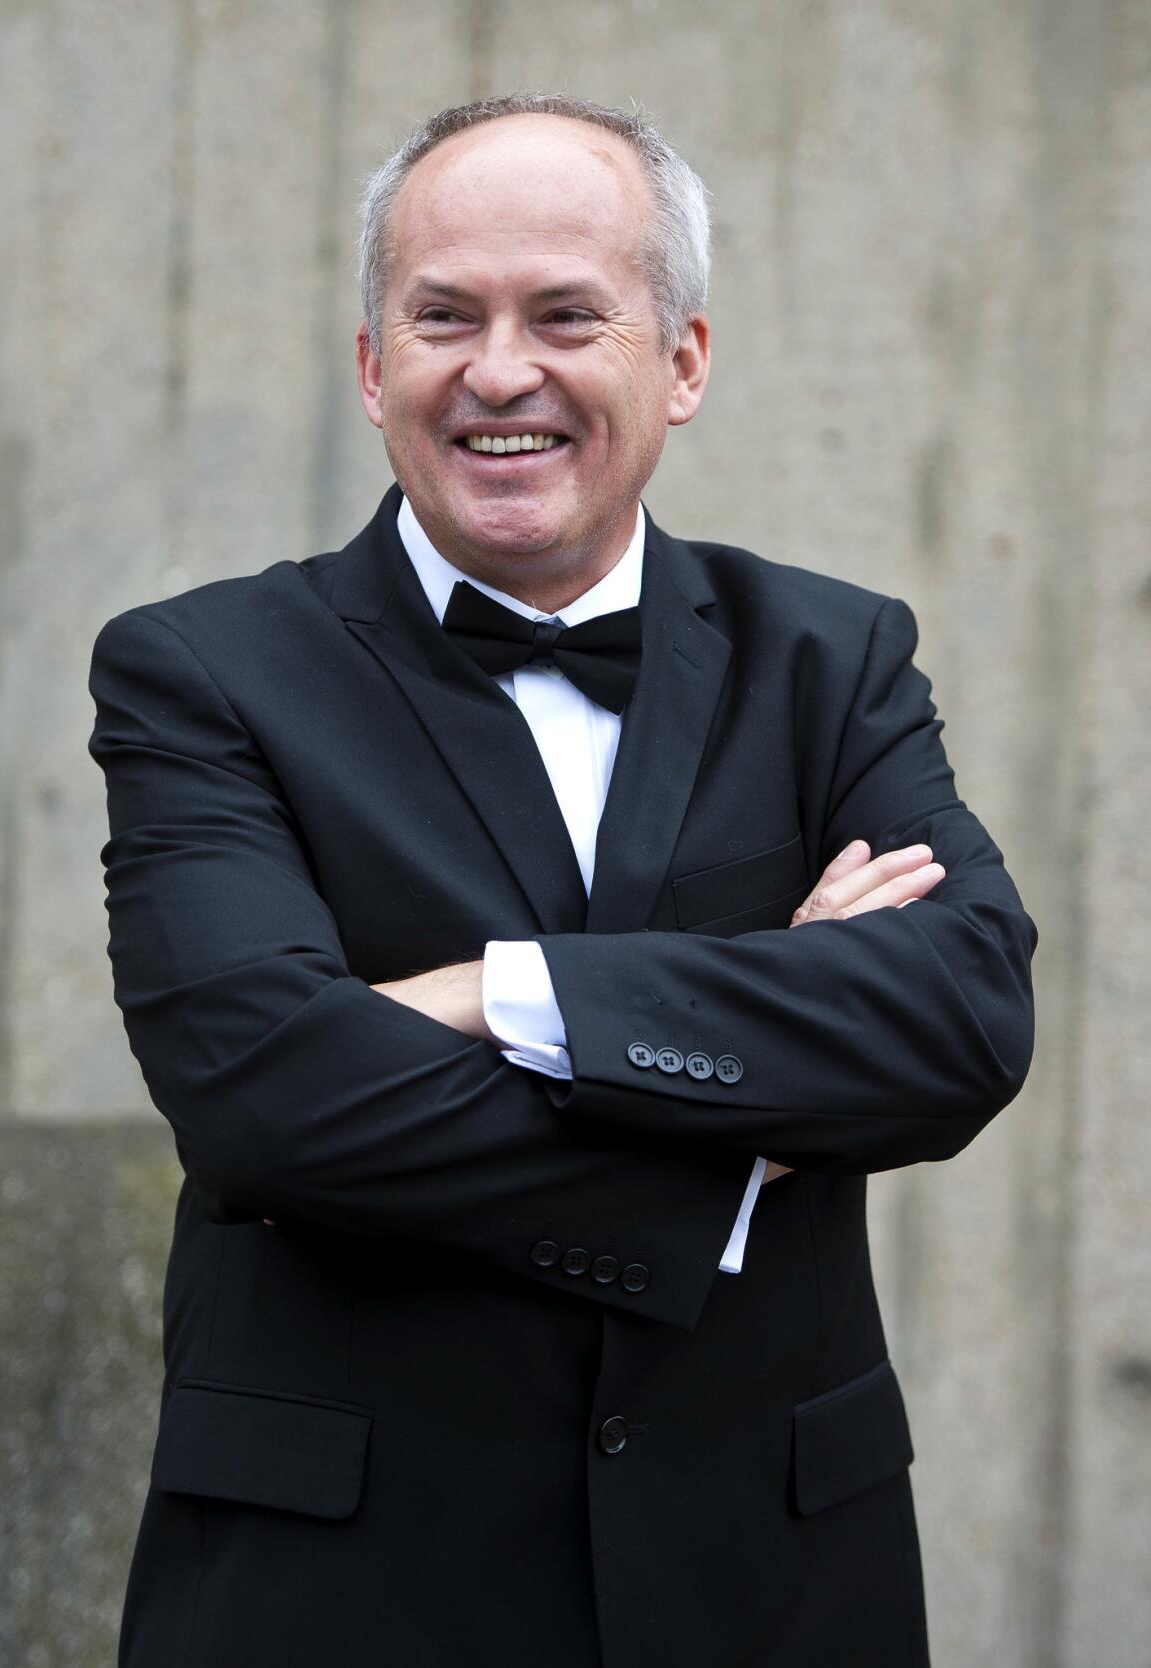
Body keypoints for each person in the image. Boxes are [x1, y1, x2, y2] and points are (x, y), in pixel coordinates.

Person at [89, 93, 1036, 1668]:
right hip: (341, 1593)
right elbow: (267, 1091)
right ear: (372, 361)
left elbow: (958, 1020)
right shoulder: (200, 672)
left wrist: (497, 992)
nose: (500, 370)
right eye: (443, 315)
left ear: (682, 361)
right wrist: (745, 1138)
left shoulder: (834, 658)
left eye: (566, 314)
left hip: (779, 1584)